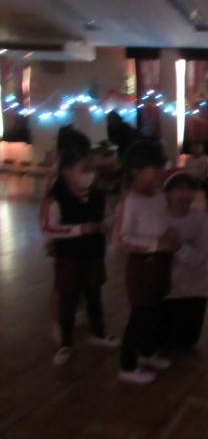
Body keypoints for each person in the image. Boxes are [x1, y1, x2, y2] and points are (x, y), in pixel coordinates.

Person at [40, 146, 120, 366]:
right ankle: (66, 343)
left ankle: (99, 332)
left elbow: (109, 216)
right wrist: (78, 229)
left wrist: (106, 224)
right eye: (84, 169)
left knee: (94, 295)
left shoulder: (97, 195)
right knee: (68, 299)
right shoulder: (57, 199)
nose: (90, 174)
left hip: (93, 254)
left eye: (91, 169)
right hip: (69, 256)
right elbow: (49, 227)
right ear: (67, 171)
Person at [114, 140, 181, 384]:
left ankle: (147, 352)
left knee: (155, 311)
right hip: (142, 265)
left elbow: (161, 221)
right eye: (154, 167)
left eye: (160, 166)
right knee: (140, 315)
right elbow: (122, 238)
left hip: (160, 262)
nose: (159, 172)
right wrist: (157, 244)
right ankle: (127, 366)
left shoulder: (158, 195)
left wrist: (170, 233)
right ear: (135, 170)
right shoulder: (130, 200)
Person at [161, 169, 208, 348]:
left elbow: (200, 259)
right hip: (161, 290)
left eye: (189, 189)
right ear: (168, 192)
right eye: (179, 188)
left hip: (192, 291)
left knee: (183, 343)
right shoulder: (157, 217)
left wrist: (178, 246)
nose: (185, 194)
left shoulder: (203, 219)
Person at [185, 142, 208, 210]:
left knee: (207, 187)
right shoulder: (188, 159)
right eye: (194, 150)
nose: (196, 151)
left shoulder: (204, 158)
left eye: (197, 150)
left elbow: (204, 170)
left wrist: (199, 179)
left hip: (203, 178)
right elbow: (186, 169)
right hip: (191, 178)